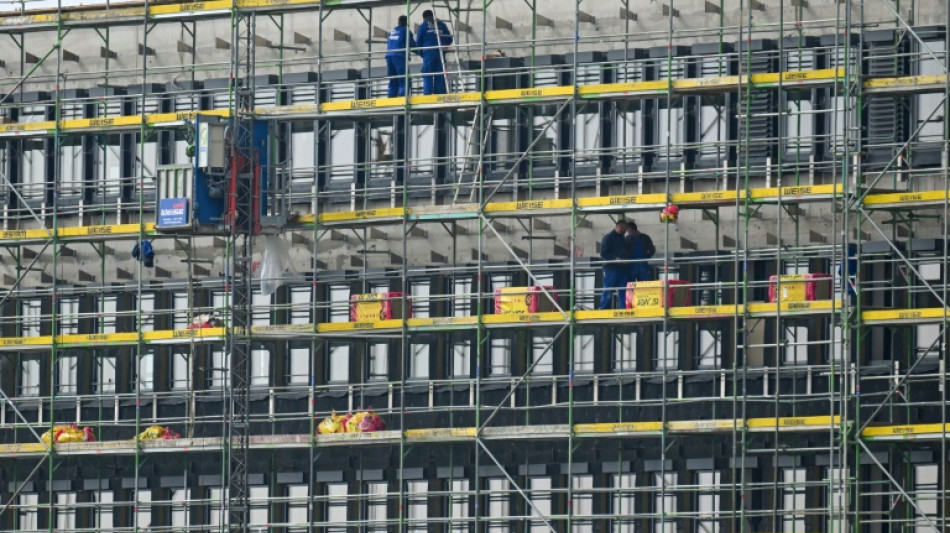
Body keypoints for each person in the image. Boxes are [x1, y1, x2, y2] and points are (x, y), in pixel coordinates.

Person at [415, 9, 453, 95]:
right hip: (440, 53)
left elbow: (418, 43)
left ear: (424, 17)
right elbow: (449, 38)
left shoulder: (423, 26)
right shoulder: (442, 25)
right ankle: (439, 94)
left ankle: (428, 95)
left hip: (428, 53)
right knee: (440, 75)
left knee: (428, 75)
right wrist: (444, 48)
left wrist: (422, 54)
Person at [600, 219, 631, 310]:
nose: (625, 230)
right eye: (624, 227)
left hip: (622, 269)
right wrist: (615, 259)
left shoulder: (622, 238)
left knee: (623, 290)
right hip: (611, 268)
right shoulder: (608, 237)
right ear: (619, 226)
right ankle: (604, 309)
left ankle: (623, 308)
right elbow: (603, 253)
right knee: (608, 289)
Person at [385, 15, 417, 98]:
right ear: (406, 23)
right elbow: (412, 45)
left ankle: (391, 98)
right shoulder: (406, 30)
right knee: (404, 80)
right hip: (399, 56)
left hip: (389, 56)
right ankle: (402, 98)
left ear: (398, 22)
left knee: (393, 79)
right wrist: (421, 51)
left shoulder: (392, 31)